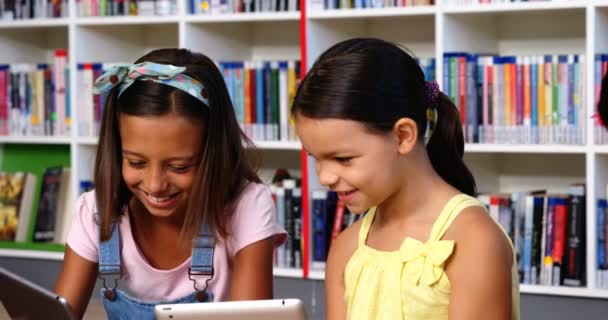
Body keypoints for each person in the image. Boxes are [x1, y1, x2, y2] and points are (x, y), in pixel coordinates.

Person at [292, 38, 519, 320]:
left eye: (343, 159)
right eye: (315, 157)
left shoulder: (472, 240)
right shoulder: (348, 248)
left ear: (403, 136)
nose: (325, 177)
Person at [54, 48, 287, 319]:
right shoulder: (95, 212)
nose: (155, 185)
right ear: (117, 151)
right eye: (136, 163)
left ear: (215, 153)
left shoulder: (247, 206)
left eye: (179, 167)